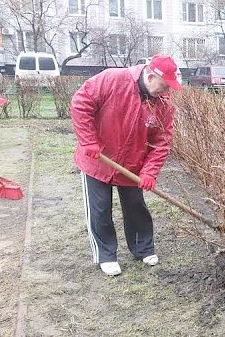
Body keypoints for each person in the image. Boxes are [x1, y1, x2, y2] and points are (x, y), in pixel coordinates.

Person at [70, 55, 183, 276]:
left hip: (132, 163)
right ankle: (106, 255)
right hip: (97, 158)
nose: (165, 93)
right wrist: (88, 140)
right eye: (163, 88)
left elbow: (162, 142)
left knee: (135, 206)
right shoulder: (113, 79)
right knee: (100, 208)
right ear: (150, 76)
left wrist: (149, 171)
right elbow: (80, 103)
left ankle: (143, 248)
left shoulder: (163, 105)